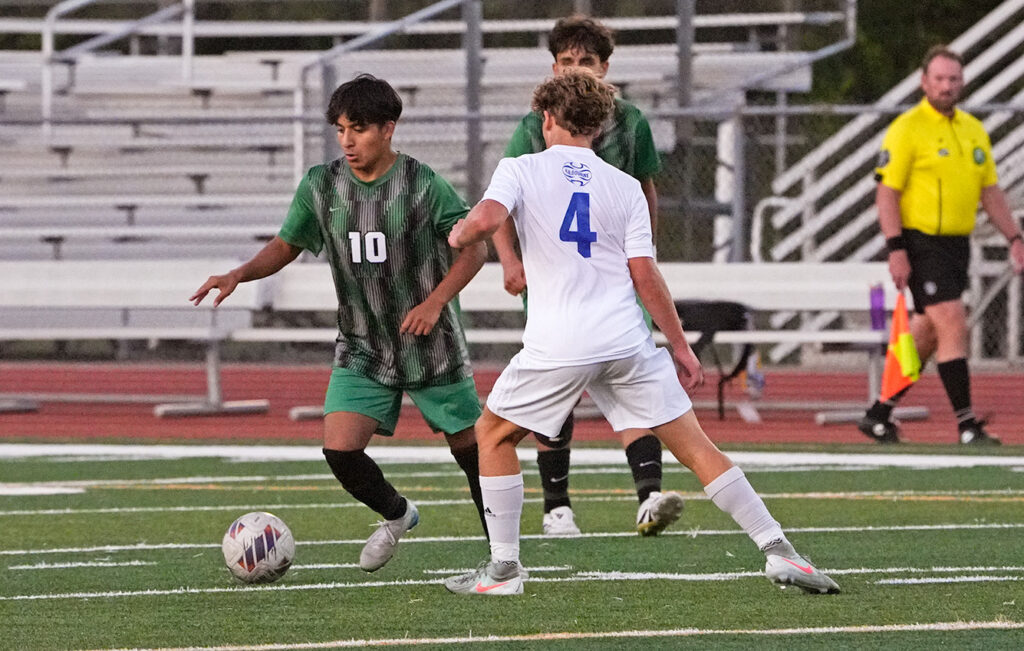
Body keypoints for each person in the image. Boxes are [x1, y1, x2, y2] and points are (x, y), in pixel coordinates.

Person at [443, 70, 840, 596]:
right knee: (697, 448)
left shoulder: (520, 167)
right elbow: (645, 273)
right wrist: (679, 345)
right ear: (599, 125)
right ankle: (778, 549)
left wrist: (459, 231)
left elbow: (486, 219)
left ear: (546, 119)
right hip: (627, 340)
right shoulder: (625, 185)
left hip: (561, 342)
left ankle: (503, 571)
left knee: (493, 435)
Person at [191, 74, 490, 572]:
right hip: (363, 342)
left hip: (428, 342)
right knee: (340, 451)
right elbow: (287, 244)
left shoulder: (423, 184)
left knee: (472, 452)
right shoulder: (320, 184)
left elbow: (475, 250)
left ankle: (503, 552)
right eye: (340, 129)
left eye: (359, 129)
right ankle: (398, 514)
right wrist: (240, 273)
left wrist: (436, 302)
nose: (347, 140)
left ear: (388, 129)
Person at [494, 14, 683, 538]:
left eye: (588, 62)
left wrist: (645, 253)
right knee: (557, 389)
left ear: (606, 68)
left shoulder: (631, 121)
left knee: (633, 385)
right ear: (554, 68)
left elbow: (646, 192)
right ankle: (557, 507)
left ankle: (649, 497)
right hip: (556, 279)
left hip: (613, 276)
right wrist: (510, 261)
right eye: (568, 61)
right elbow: (502, 205)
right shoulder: (537, 123)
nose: (578, 69)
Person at [858, 46, 1024, 446]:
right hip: (920, 242)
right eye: (940, 79)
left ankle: (878, 414)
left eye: (954, 79)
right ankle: (967, 424)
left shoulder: (972, 129)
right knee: (952, 320)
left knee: (928, 335)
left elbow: (991, 192)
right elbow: (887, 194)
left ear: (962, 82)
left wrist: (1015, 238)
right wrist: (896, 248)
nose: (947, 86)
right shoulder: (908, 128)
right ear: (924, 81)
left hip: (956, 245)